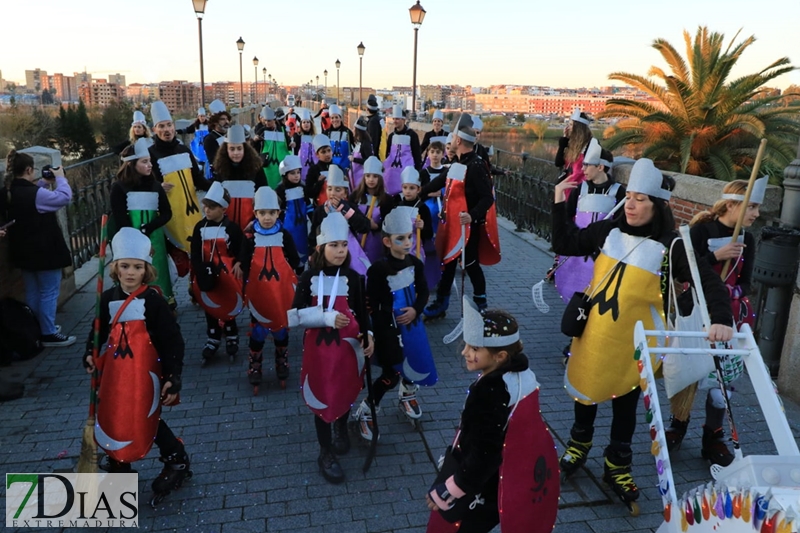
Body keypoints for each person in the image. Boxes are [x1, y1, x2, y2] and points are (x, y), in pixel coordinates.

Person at [552, 158, 733, 509]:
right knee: (585, 393)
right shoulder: (608, 231)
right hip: (593, 334)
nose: (631, 205)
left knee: (625, 406)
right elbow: (565, 241)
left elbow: (708, 282)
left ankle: (617, 465)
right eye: (629, 197)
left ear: (658, 205)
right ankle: (577, 447)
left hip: (636, 345)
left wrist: (721, 318)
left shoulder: (674, 247)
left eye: (641, 199)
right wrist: (560, 199)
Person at [425, 301, 558, 533]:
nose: (465, 352)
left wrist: (449, 490)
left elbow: (484, 453)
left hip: (479, 485)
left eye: (475, 348)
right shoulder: (522, 375)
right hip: (505, 479)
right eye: (467, 345)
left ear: (500, 356)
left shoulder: (489, 391)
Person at [82, 227, 190, 503]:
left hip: (145, 372)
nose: (131, 272)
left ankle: (176, 458)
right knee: (114, 412)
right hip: (116, 374)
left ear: (146, 270)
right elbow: (97, 334)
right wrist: (89, 354)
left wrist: (173, 376)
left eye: (137, 267)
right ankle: (118, 460)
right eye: (125, 266)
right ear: (116, 268)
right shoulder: (106, 299)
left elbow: (172, 340)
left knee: (146, 414)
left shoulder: (153, 301)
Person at [665, 176, 765, 466]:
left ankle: (714, 435)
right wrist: (715, 256)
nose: (756, 214)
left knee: (722, 380)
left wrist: (732, 290)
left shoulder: (748, 238)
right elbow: (684, 273)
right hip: (696, 312)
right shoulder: (700, 231)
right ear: (732, 204)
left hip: (730, 316)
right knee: (689, 369)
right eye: (752, 206)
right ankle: (678, 424)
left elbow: (747, 282)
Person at [287, 212, 373, 484]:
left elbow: (362, 311)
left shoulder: (354, 277)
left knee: (346, 387)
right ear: (321, 247)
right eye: (334, 245)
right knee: (322, 395)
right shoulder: (309, 276)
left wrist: (369, 335)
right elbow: (295, 315)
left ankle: (341, 425)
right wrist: (325, 318)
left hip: (348, 348)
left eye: (344, 245)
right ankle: (324, 450)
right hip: (320, 351)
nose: (340, 251)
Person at [357, 208, 435, 440]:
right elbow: (370, 302)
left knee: (415, 361)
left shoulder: (415, 263)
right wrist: (377, 329)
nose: (408, 242)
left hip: (412, 326)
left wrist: (416, 310)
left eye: (409, 237)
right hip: (388, 328)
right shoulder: (378, 270)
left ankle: (408, 392)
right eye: (400, 239)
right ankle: (368, 408)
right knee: (391, 372)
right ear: (387, 241)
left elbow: (423, 292)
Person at [422, 114, 496, 319]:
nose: (451, 140)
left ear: (459, 141)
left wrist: (471, 216)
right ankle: (442, 302)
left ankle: (481, 303)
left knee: (471, 265)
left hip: (469, 227)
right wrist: (417, 194)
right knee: (449, 263)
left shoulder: (477, 165)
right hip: (454, 225)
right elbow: (438, 183)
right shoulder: (457, 163)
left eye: (453, 137)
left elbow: (487, 198)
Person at [3, 150, 76, 347]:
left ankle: (38, 328)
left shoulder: (11, 191)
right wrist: (60, 179)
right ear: (28, 169)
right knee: (49, 292)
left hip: (24, 252)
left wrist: (44, 182)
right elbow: (63, 198)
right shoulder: (35, 194)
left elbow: (34, 195)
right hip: (45, 251)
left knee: (33, 292)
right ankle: (49, 333)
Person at [240, 186, 301, 390]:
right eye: (262, 213)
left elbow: (294, 259)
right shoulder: (249, 239)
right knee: (258, 330)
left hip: (280, 292)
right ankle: (255, 363)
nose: (267, 218)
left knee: (280, 329)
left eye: (272, 213)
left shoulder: (284, 235)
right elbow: (245, 263)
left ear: (278, 213)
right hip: (258, 293)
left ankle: (281, 359)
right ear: (256, 213)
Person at [554, 138, 625, 305]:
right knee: (574, 292)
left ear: (600, 167)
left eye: (587, 165)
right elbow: (568, 215)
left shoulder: (618, 192)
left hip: (602, 252)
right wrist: (575, 233)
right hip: (578, 247)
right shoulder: (581, 188)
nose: (582, 168)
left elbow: (620, 224)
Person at [111, 138, 174, 305]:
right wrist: (137, 238)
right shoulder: (119, 187)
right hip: (130, 241)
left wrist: (150, 228)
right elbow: (121, 221)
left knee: (157, 272)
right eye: (144, 161)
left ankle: (163, 302)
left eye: (150, 161)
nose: (150, 165)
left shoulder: (155, 186)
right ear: (132, 164)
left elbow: (167, 213)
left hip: (155, 239)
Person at [190, 183, 245, 366]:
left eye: (212, 207)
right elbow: (196, 252)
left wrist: (239, 262)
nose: (207, 210)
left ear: (223, 208)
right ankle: (212, 336)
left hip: (227, 274)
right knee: (209, 302)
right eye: (205, 206)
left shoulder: (232, 228)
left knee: (228, 301)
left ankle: (231, 333)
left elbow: (242, 248)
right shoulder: (199, 227)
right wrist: (198, 270)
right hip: (206, 272)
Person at [147, 100, 208, 256]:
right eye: (161, 126)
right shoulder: (150, 154)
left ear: (174, 126)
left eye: (169, 125)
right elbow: (143, 183)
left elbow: (198, 179)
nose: (166, 130)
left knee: (196, 251)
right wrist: (157, 186)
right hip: (167, 214)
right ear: (155, 130)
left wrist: (219, 185)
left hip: (190, 211)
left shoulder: (184, 150)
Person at [308, 165, 374, 276]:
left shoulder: (350, 207)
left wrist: (346, 211)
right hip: (326, 257)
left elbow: (365, 226)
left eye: (337, 189)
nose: (332, 193)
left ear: (344, 192)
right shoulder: (320, 211)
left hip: (349, 254)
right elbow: (313, 235)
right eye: (330, 189)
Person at [212, 125, 266, 231]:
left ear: (245, 149)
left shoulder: (256, 168)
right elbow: (215, 199)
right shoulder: (220, 170)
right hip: (226, 225)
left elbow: (263, 194)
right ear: (226, 150)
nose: (236, 153)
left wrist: (256, 222)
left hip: (251, 224)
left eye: (239, 148)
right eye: (232, 149)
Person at [349, 156, 390, 263]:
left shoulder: (386, 199)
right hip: (357, 240)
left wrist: (376, 226)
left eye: (375, 176)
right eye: (368, 176)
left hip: (377, 242)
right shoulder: (355, 196)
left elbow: (389, 222)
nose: (371, 179)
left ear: (380, 178)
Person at [276, 155, 309, 264]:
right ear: (285, 174)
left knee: (302, 247)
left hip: (301, 226)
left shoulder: (303, 187)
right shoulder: (280, 190)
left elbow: (308, 205)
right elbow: (277, 209)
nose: (296, 176)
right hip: (287, 226)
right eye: (292, 173)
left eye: (298, 172)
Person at [384, 105, 422, 195]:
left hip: (407, 173)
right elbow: (387, 155)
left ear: (403, 120)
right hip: (393, 173)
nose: (395, 121)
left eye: (397, 119)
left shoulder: (412, 135)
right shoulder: (391, 136)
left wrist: (417, 172)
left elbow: (417, 155)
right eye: (394, 119)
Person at [256, 106, 291, 189]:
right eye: (266, 121)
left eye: (269, 121)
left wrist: (292, 144)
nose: (267, 123)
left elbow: (288, 143)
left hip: (282, 163)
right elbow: (255, 147)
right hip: (268, 164)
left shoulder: (282, 129)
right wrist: (256, 140)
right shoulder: (262, 131)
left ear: (274, 120)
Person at [202, 100, 231, 180]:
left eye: (227, 119)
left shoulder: (230, 134)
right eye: (223, 119)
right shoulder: (209, 139)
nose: (227, 122)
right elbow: (214, 162)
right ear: (215, 122)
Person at [305, 133, 333, 207]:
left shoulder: (338, 167)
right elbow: (309, 193)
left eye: (329, 150)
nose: (327, 154)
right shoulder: (313, 170)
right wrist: (319, 183)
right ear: (317, 155)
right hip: (320, 208)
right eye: (323, 152)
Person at [323, 105, 353, 172]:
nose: (334, 120)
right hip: (330, 166)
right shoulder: (326, 133)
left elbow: (353, 148)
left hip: (345, 166)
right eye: (332, 118)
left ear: (340, 118)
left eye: (336, 117)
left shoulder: (347, 132)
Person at [292, 109, 317, 183]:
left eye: (308, 122)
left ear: (311, 124)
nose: (306, 124)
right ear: (301, 124)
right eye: (304, 122)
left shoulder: (315, 137)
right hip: (301, 167)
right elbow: (295, 151)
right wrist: (293, 145)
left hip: (313, 165)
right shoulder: (297, 136)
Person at [350, 117, 374, 190]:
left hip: (360, 177)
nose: (353, 130)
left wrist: (354, 159)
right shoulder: (359, 142)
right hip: (354, 176)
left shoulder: (366, 144)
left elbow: (368, 160)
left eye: (354, 129)